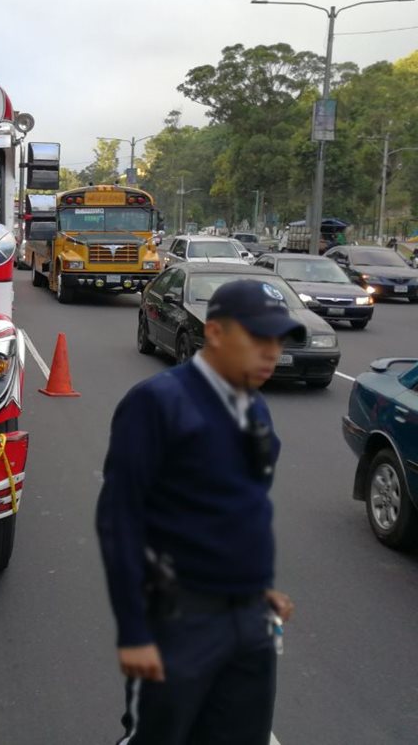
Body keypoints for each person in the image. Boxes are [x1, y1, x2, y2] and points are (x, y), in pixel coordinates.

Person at [96, 278, 299, 744]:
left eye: (277, 339)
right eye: (257, 337)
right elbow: (120, 520)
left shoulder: (257, 408)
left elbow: (242, 509)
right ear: (216, 333)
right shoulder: (157, 403)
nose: (272, 352)